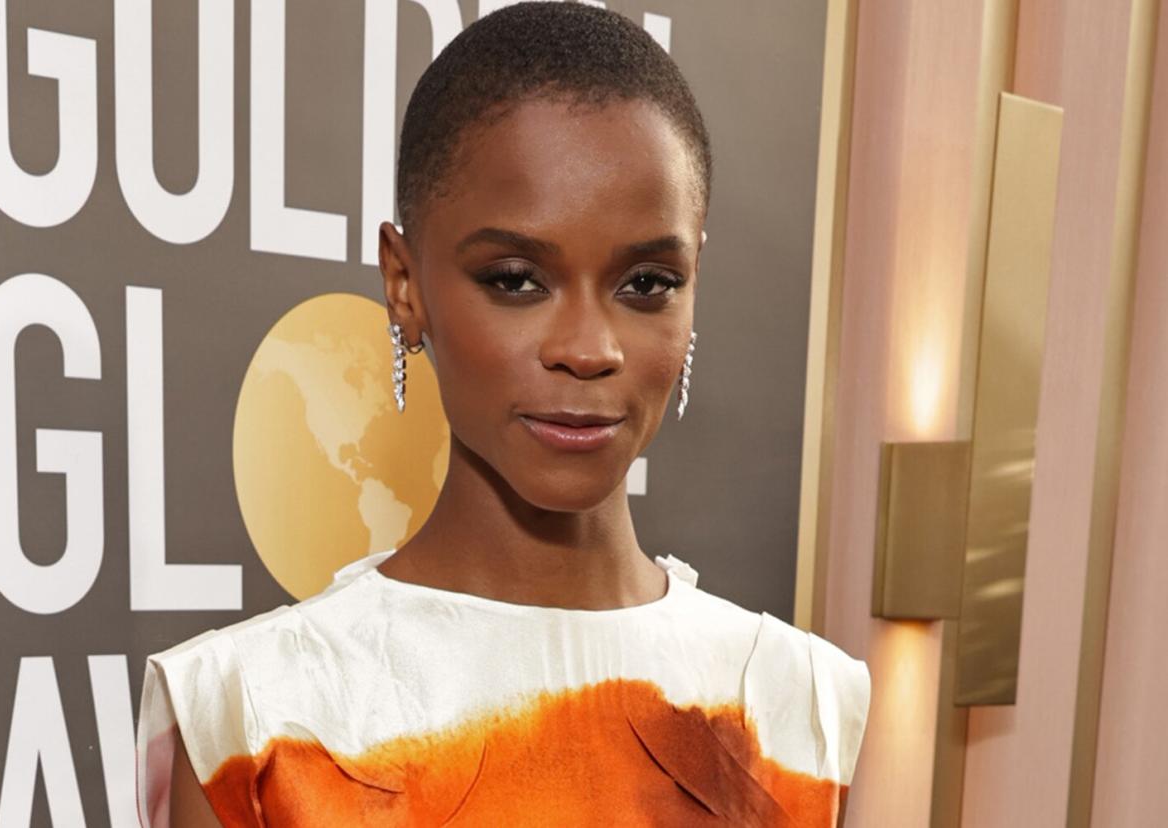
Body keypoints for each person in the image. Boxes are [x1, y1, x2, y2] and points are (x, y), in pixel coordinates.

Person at [135, 3, 870, 825]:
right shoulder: (251, 722)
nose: (589, 348)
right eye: (516, 278)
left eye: (648, 284)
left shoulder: (800, 708)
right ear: (405, 287)